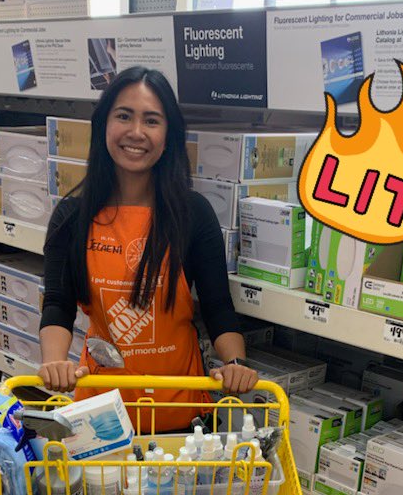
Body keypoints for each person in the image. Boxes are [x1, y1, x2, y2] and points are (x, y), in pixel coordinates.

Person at [38, 65, 258, 432]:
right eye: (124, 116)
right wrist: (54, 363)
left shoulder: (193, 215)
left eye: (152, 121)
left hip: (181, 413)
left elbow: (219, 309)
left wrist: (235, 364)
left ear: (169, 134)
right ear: (104, 125)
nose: (136, 133)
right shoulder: (71, 216)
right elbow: (58, 305)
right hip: (101, 415)